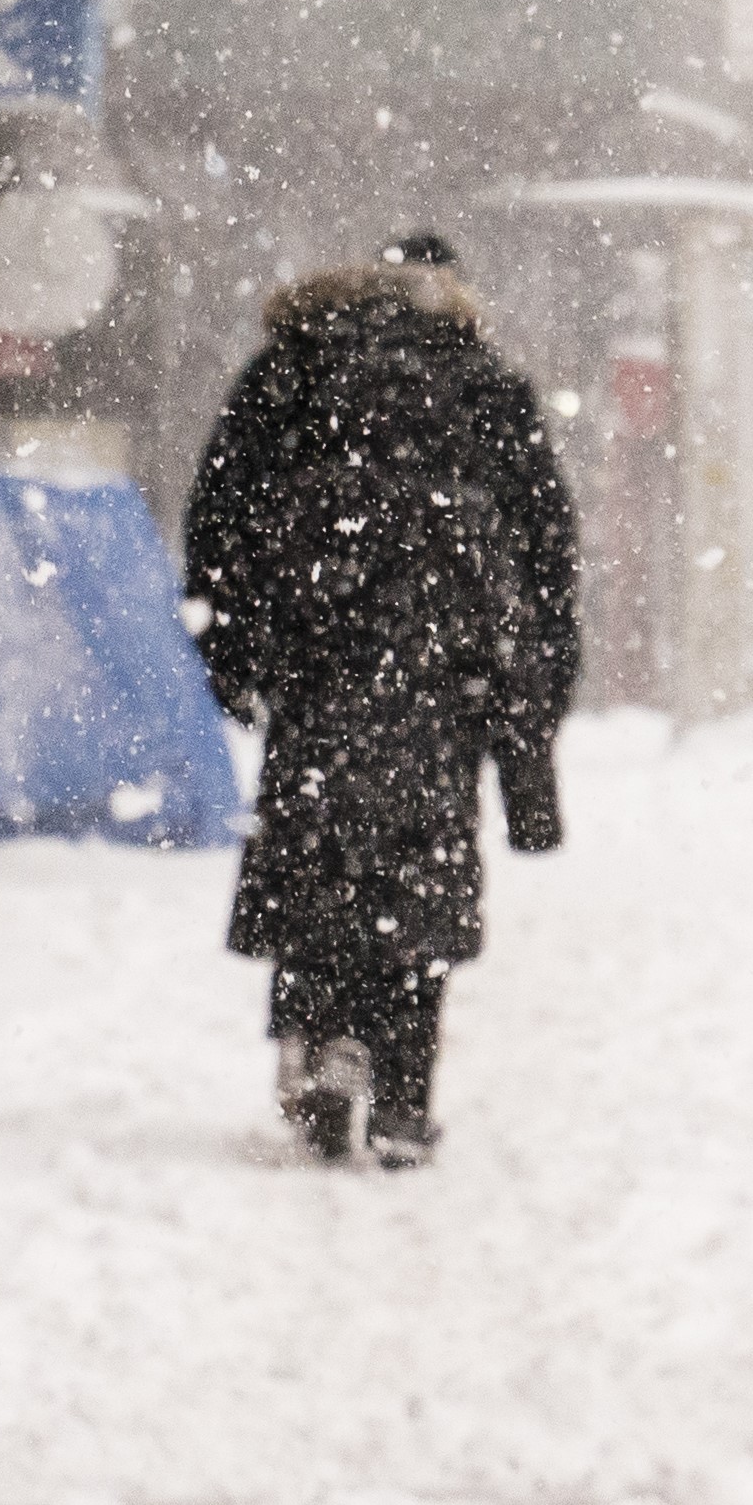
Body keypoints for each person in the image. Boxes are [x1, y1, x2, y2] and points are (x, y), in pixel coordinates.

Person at [184, 233, 581, 1170]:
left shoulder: (289, 370)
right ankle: (403, 1098)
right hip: (447, 676)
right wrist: (537, 686)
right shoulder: (482, 382)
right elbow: (545, 543)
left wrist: (235, 653)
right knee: (422, 875)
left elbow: (220, 516)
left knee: (314, 857)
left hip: (316, 667)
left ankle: (319, 1050)